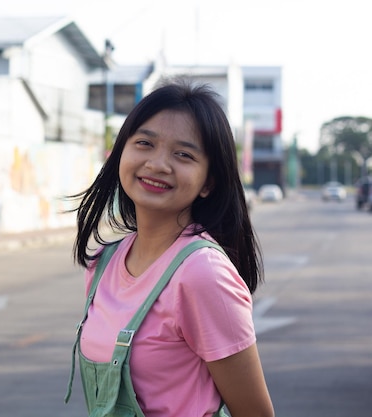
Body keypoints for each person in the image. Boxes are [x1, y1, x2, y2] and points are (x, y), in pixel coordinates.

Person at [65, 79, 274, 417]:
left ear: (208, 182)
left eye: (183, 154)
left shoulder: (202, 274)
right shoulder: (105, 262)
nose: (158, 164)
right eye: (145, 143)